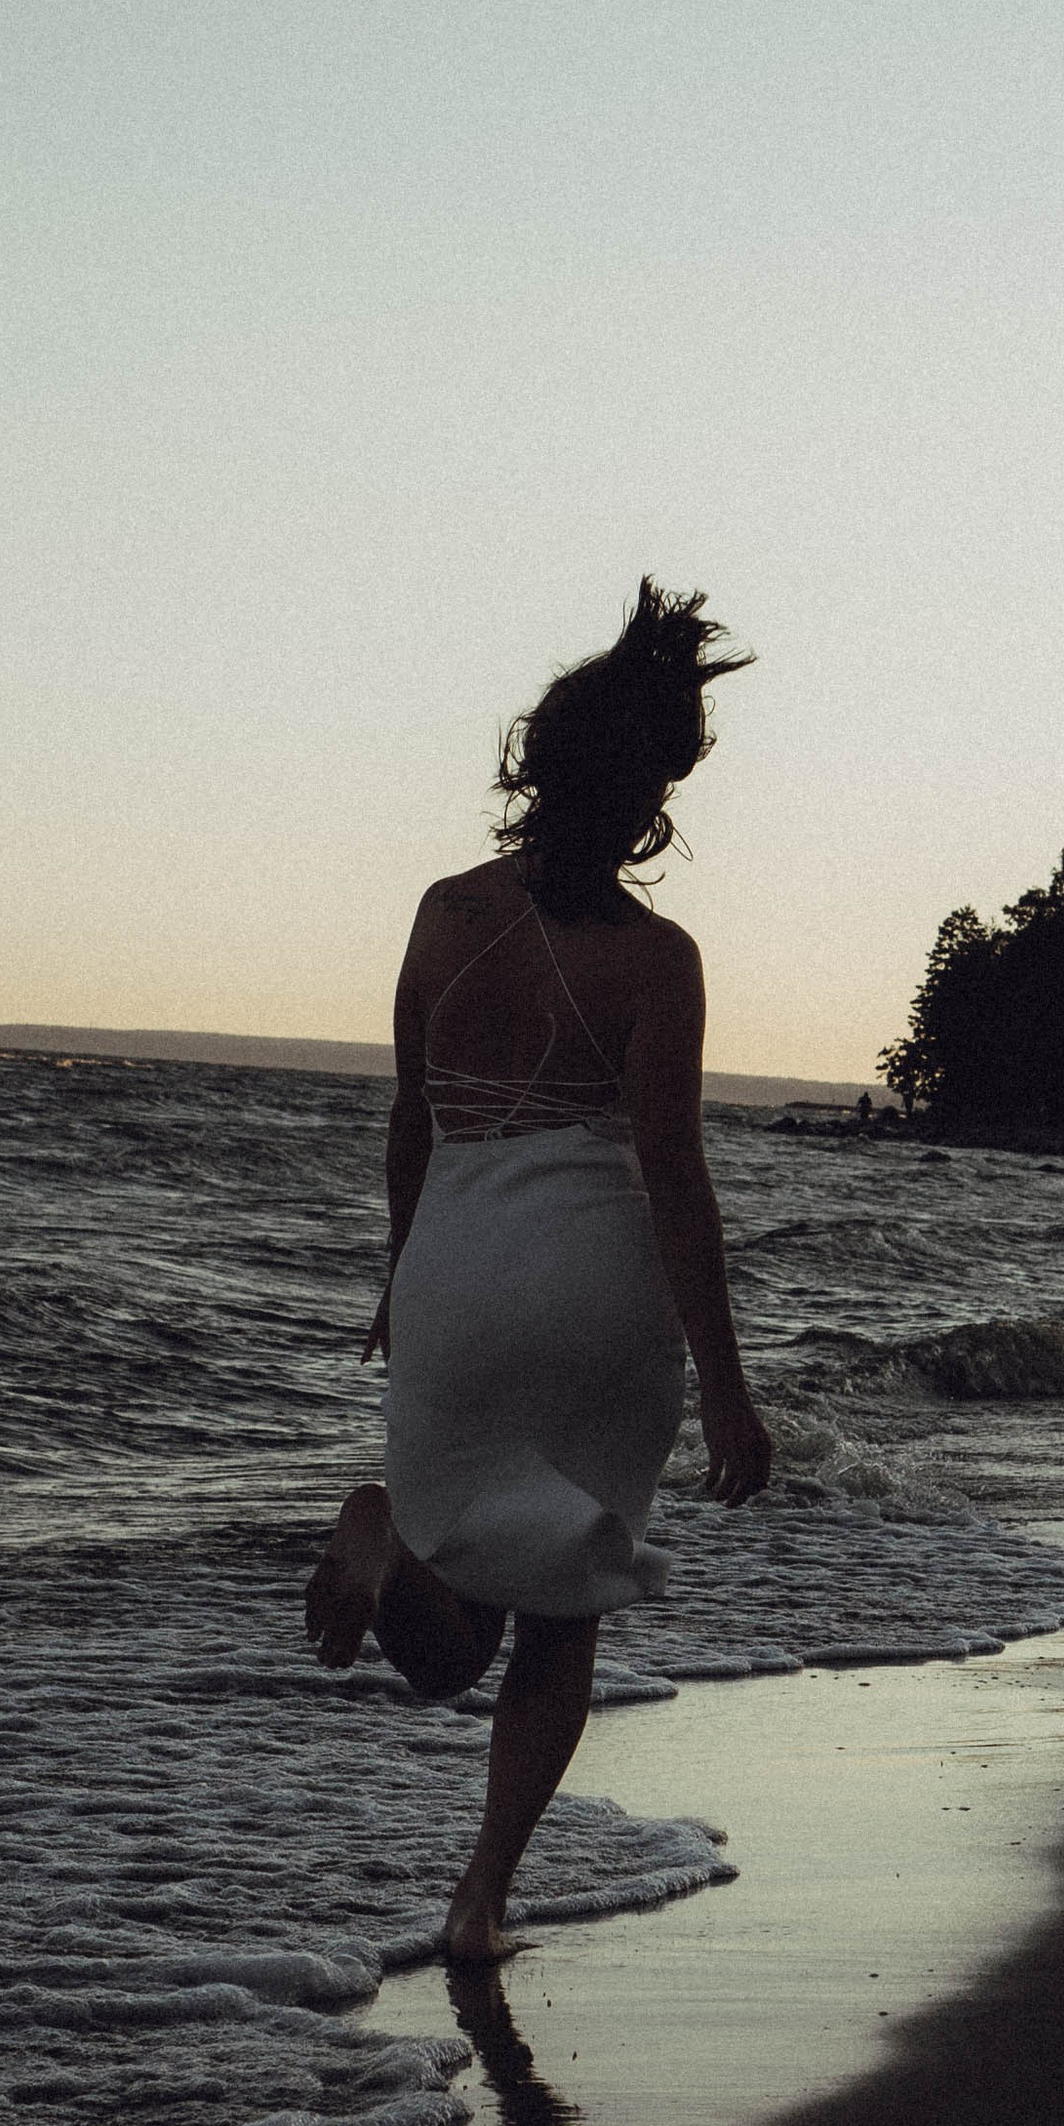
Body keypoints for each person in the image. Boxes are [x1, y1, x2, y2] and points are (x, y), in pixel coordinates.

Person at [304, 580, 774, 1963]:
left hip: (454, 1272)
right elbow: (672, 1179)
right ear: (647, 801)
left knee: (451, 1634)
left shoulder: (444, 917)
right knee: (559, 1624)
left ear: (533, 766)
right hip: (590, 1297)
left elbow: (409, 1123)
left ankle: (386, 1535)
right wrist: (732, 1395)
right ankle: (480, 1899)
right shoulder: (658, 961)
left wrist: (402, 1282)